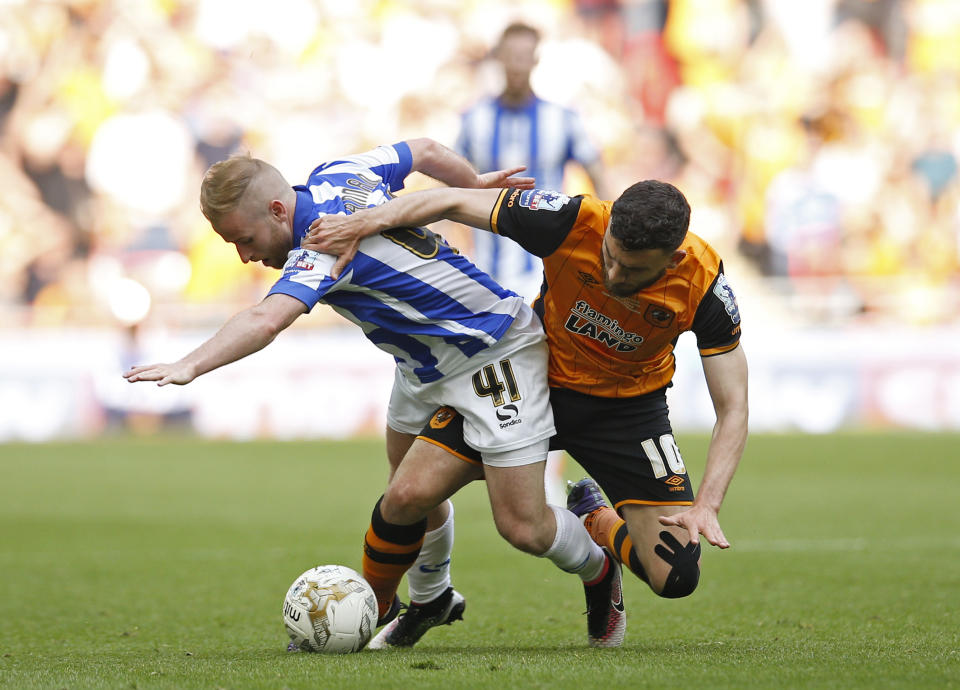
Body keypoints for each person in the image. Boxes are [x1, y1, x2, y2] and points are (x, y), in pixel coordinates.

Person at [123, 139, 626, 649]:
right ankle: (430, 598)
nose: (246, 255)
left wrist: (190, 364)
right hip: (423, 367)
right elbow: (425, 149)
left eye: (245, 238)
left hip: (492, 352)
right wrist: (470, 184)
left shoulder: (319, 248)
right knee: (404, 498)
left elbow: (265, 318)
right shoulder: (340, 171)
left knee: (524, 528)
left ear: (278, 210)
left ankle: (598, 565)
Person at [304, 179, 748, 647]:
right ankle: (377, 609)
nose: (614, 275)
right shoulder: (572, 220)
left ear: (673, 259)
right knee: (406, 495)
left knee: (675, 575)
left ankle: (595, 520)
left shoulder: (703, 284)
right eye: (609, 256)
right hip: (530, 381)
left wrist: (708, 504)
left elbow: (733, 406)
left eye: (632, 269)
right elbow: (451, 200)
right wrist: (360, 223)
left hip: (628, 411)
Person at [456, 21, 608, 507]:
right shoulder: (474, 120)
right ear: (499, 58)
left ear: (536, 60)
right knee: (496, 372)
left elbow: (598, 178)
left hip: (550, 269)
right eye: (511, 56)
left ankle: (545, 474)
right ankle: (498, 467)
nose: (519, 65)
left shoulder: (563, 119)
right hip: (491, 271)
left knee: (549, 369)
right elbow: (454, 189)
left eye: (527, 56)